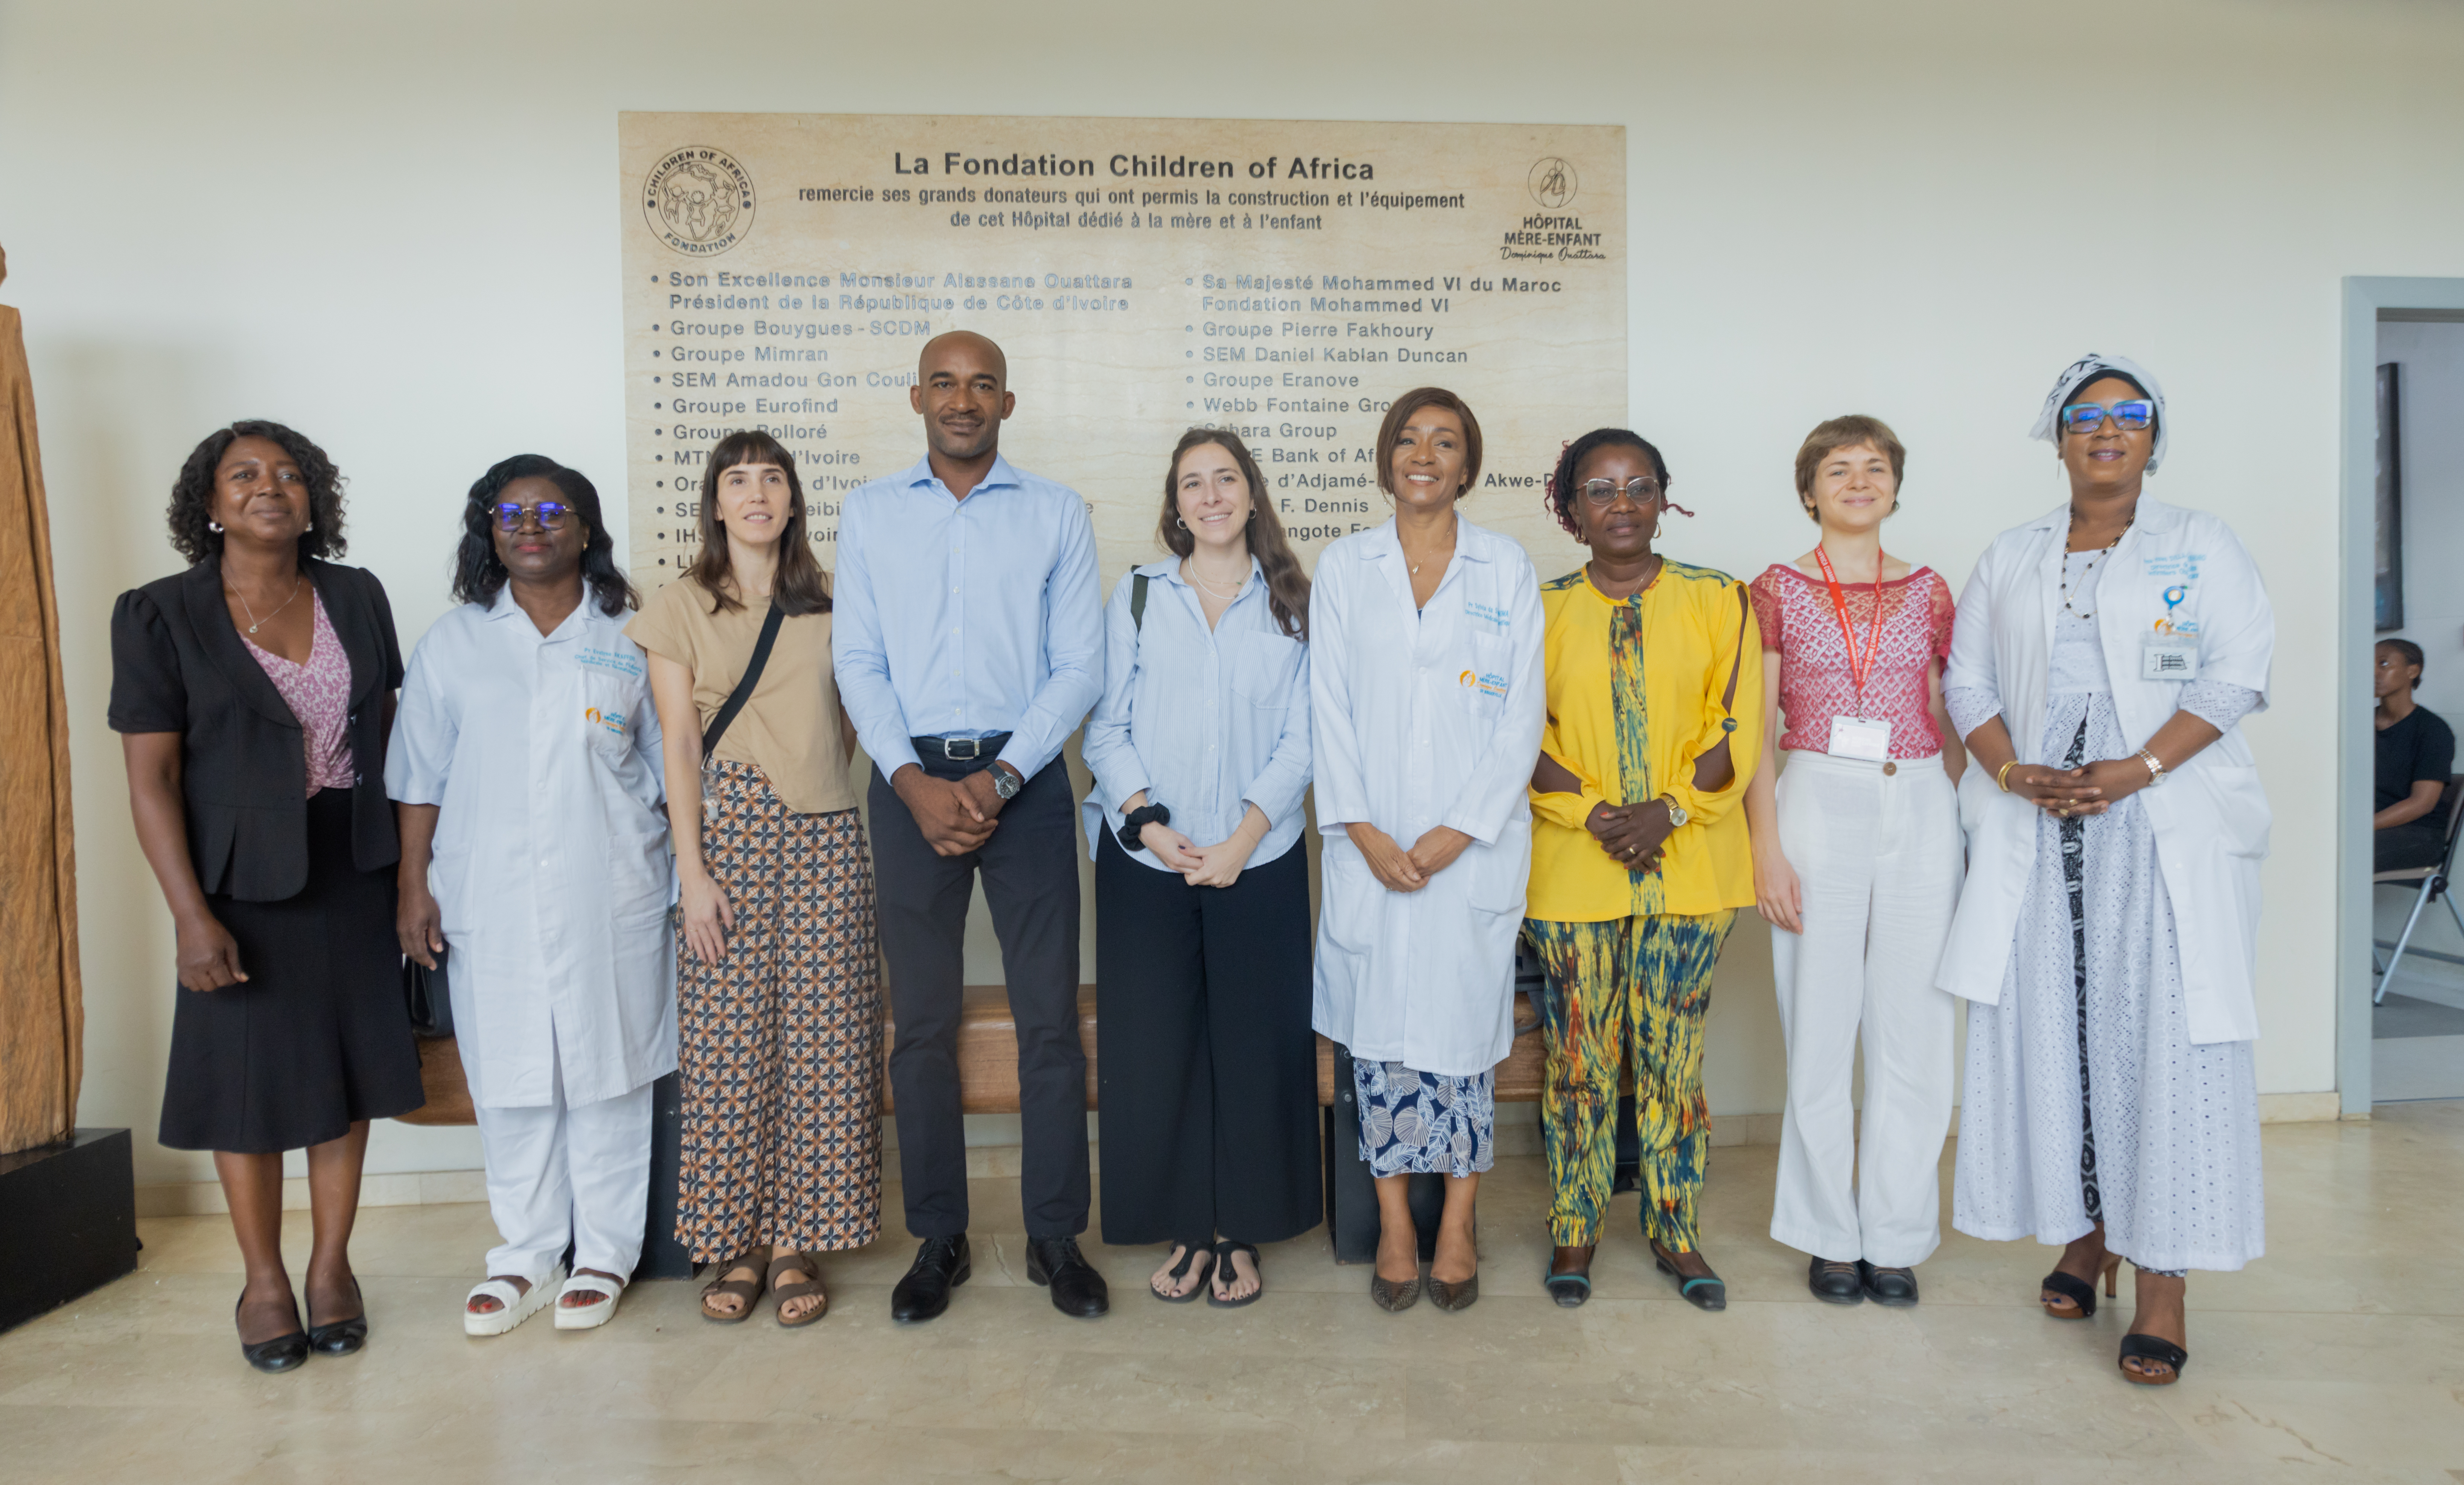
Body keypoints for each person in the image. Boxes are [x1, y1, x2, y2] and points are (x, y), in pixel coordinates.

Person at [1941, 354, 2273, 1386]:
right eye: (2085, 416)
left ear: (2151, 438)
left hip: (2160, 812)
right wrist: (2011, 771)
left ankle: (2163, 1279)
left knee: (2160, 1037)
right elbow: (1966, 680)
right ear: (2058, 439)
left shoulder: (2201, 542)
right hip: (2042, 818)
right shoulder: (2013, 552)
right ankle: (2087, 1234)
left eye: (2129, 414)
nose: (2107, 429)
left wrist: (2135, 769)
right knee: (2063, 1025)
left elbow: (2237, 671)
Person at [110, 421, 421, 1371]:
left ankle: (330, 1267)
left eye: (289, 473)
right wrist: (190, 915)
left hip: (355, 864)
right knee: (244, 1085)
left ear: (312, 498)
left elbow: (394, 733)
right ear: (208, 502)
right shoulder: (159, 612)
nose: (268, 487)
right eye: (243, 474)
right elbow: (153, 780)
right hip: (238, 881)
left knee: (347, 1073)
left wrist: (413, 874)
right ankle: (263, 1281)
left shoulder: (356, 593)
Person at [835, 331, 1108, 1322]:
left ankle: (1054, 1236)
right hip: (906, 776)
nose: (963, 399)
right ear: (917, 397)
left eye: (982, 383)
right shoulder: (869, 513)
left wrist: (1001, 776)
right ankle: (938, 1237)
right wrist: (910, 779)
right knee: (921, 1024)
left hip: (1023, 779)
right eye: (944, 383)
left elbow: (1079, 665)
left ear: (1007, 401)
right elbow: (858, 660)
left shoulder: (1056, 512)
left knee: (1048, 1021)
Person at [388, 455, 674, 1336]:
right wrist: (412, 885)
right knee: (509, 1074)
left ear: (585, 529)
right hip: (490, 892)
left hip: (612, 889)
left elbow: (673, 771)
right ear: (490, 532)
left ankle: (605, 1253)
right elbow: (419, 777)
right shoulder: (454, 643)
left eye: (552, 511)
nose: (531, 526)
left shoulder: (632, 636)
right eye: (510, 514)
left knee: (611, 1071)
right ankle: (525, 1253)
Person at [629, 430, 878, 1328]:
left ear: (794, 499)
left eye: (772, 478)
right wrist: (692, 873)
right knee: (729, 1046)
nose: (757, 493)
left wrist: (809, 777)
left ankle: (797, 1239)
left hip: (824, 832)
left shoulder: (834, 602)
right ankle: (734, 1240)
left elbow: (849, 718)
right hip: (725, 832)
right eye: (738, 480)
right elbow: (677, 743)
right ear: (717, 502)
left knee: (823, 1041)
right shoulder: (678, 605)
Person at [1311, 386, 1544, 1315]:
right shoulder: (1345, 566)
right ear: (1385, 459)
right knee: (1379, 1044)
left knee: (1462, 1040)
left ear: (1467, 465)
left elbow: (1521, 715)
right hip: (1370, 847)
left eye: (1444, 441)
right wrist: (1364, 831)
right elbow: (1327, 706)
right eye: (1408, 438)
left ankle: (1457, 1223)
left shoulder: (1505, 566)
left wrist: (1454, 833)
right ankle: (1395, 1229)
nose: (1423, 453)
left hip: (1468, 851)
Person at [1523, 429, 1761, 1311]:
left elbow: (1736, 721)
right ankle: (1574, 1222)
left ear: (1664, 499)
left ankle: (1673, 1224)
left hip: (1689, 868)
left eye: (1638, 486)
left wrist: (1670, 808)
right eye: (1599, 488)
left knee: (1671, 1059)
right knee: (1578, 1061)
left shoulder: (1719, 598)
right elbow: (1515, 731)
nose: (1621, 503)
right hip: (1571, 870)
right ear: (1569, 508)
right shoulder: (1538, 608)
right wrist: (1592, 810)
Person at [1083, 429, 1319, 1308]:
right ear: (1175, 505)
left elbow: (1306, 735)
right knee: (1157, 1048)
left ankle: (1239, 1229)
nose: (1211, 495)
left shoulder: (1295, 601)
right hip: (1148, 858)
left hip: (1260, 854)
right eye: (1193, 483)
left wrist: (1242, 837)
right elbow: (1106, 726)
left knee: (1254, 1047)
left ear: (1252, 494)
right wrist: (1148, 822)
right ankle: (1187, 1225)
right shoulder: (1141, 594)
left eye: (1226, 479)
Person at [1743, 416, 1963, 1307]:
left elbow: (1948, 711)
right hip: (1817, 798)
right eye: (1838, 468)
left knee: (1916, 1028)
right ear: (1809, 491)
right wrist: (1765, 846)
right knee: (1821, 1023)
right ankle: (1829, 1232)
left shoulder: (1931, 589)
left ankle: (1897, 1234)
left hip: (1918, 798)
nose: (1859, 480)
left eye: (1875, 466)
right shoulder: (1776, 587)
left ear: (1896, 485)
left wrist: (1957, 818)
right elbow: (1753, 732)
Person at [2373, 638, 2455, 872]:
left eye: (2384, 664)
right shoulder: (2357, 723)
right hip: (2367, 825)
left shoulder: (2433, 730)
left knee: (2338, 852)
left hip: (2419, 833)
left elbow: (2421, 804)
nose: (2373, 673)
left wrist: (2359, 827)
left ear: (2413, 671)